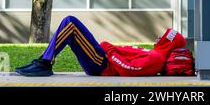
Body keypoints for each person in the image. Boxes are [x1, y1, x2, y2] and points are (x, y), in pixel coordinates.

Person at [15, 15, 186, 77]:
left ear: (169, 42)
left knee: (71, 23)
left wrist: (110, 51)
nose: (158, 37)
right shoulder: (154, 53)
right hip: (102, 61)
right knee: (70, 26)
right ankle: (44, 61)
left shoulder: (156, 58)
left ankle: (44, 63)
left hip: (102, 64)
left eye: (163, 36)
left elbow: (129, 69)